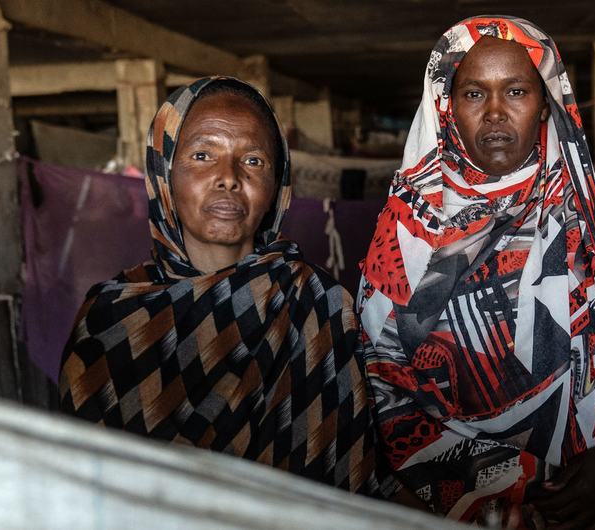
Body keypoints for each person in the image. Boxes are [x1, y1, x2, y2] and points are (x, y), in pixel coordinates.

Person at [357, 16, 595, 529]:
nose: (496, 113)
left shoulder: (581, 215)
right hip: (467, 511)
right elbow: (382, 382)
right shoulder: (408, 232)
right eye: (474, 93)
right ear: (446, 106)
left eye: (516, 90)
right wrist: (509, 484)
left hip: (593, 503)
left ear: (544, 102)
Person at [58, 77, 390, 498]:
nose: (228, 178)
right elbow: (84, 490)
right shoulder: (109, 319)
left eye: (253, 161)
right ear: (164, 174)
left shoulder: (314, 303)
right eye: (202, 155)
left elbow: (343, 477)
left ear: (276, 186)